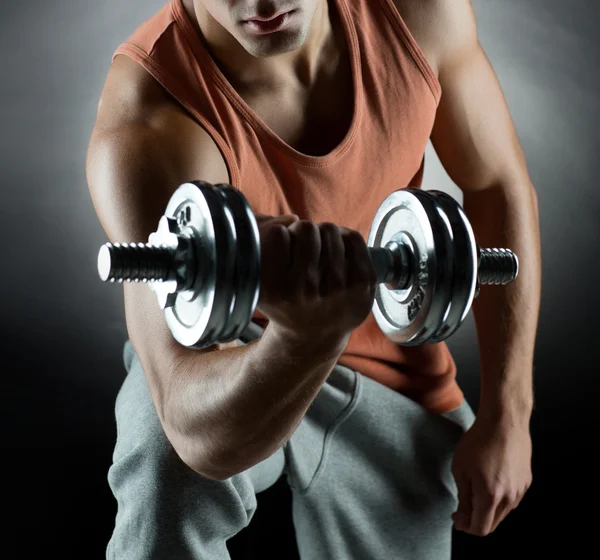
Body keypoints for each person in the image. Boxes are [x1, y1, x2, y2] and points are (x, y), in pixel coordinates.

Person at [86, 0, 540, 558]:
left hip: (394, 381)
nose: (264, 3)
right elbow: (190, 422)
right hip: (232, 361)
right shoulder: (150, 116)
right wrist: (306, 335)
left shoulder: (418, 15)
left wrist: (509, 416)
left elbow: (497, 185)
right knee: (165, 469)